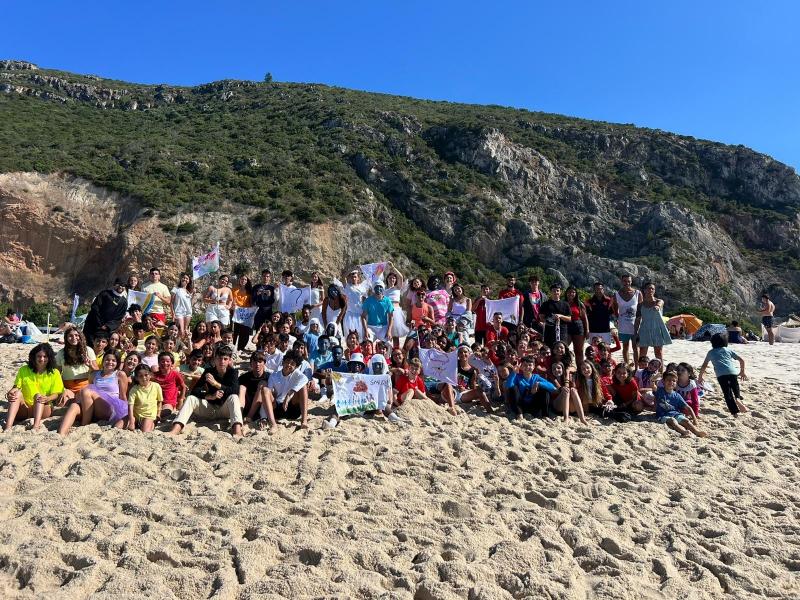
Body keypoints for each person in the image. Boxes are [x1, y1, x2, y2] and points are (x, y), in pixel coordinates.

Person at [169, 345, 244, 438]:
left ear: (229, 360)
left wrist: (216, 384)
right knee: (191, 398)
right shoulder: (209, 371)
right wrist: (210, 396)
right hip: (209, 408)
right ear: (215, 359)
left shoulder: (233, 372)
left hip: (225, 410)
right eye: (219, 358)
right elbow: (195, 391)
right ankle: (176, 429)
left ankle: (237, 431)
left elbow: (234, 391)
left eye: (225, 359)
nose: (222, 361)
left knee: (234, 397)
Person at [58, 351, 128, 436]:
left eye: (113, 360)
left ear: (117, 363)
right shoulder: (94, 374)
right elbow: (88, 395)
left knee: (86, 391)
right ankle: (61, 434)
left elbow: (123, 396)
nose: (110, 362)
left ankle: (84, 425)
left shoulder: (119, 374)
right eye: (107, 359)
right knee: (74, 406)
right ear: (103, 361)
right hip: (92, 408)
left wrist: (127, 414)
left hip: (109, 408)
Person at [5, 343, 64, 432]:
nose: (42, 359)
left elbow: (56, 394)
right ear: (34, 357)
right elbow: (16, 386)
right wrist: (11, 392)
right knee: (16, 393)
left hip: (43, 408)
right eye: (39, 356)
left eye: (45, 356)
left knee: (38, 396)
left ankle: (36, 427)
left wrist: (47, 398)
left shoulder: (54, 372)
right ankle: (8, 427)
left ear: (49, 358)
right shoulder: (24, 369)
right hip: (25, 409)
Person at [248, 351, 309, 431]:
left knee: (303, 387)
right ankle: (273, 424)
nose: (289, 365)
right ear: (283, 362)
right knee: (265, 389)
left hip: (291, 407)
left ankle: (304, 421)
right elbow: (266, 397)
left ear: (296, 367)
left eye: (292, 364)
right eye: (287, 362)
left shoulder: (297, 374)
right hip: (277, 407)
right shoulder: (274, 375)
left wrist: (289, 395)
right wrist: (263, 417)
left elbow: (305, 379)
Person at [697, 333, 749, 417]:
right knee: (735, 387)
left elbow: (704, 365)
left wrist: (700, 376)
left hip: (721, 375)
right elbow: (741, 360)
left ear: (712, 342)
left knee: (727, 393)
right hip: (732, 372)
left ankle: (734, 412)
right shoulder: (727, 350)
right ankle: (738, 398)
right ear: (725, 342)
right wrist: (742, 372)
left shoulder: (711, 352)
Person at [655, 371, 707, 437]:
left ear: (676, 383)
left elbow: (688, 407)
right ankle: (683, 432)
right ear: (663, 382)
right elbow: (653, 386)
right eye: (668, 380)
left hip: (675, 414)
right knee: (672, 420)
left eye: (674, 381)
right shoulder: (660, 391)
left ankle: (697, 432)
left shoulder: (677, 395)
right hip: (662, 415)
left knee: (686, 421)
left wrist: (694, 419)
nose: (671, 382)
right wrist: (653, 379)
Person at [505, 355, 557, 420]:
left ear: (533, 367)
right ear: (521, 366)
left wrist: (539, 383)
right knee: (513, 388)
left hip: (533, 406)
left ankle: (545, 415)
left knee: (545, 390)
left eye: (530, 365)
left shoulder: (536, 377)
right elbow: (508, 386)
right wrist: (513, 373)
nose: (527, 367)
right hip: (520, 405)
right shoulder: (517, 377)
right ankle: (519, 414)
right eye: (525, 365)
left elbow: (553, 388)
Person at [55, 327, 98, 401]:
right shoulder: (61, 353)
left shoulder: (88, 350)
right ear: (66, 338)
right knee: (63, 402)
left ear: (80, 336)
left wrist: (90, 366)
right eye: (70, 336)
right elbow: (57, 373)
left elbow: (97, 371)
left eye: (76, 335)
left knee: (81, 403)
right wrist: (62, 389)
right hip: (68, 387)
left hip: (85, 386)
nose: (74, 338)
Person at [82, 278, 129, 346]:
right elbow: (95, 308)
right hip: (92, 325)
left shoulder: (124, 302)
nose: (120, 287)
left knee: (101, 347)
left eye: (123, 285)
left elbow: (119, 318)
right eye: (118, 284)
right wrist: (100, 324)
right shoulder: (104, 294)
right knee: (87, 345)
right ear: (114, 285)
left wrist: (107, 326)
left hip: (106, 330)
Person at [633, 282, 672, 362]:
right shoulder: (640, 305)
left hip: (657, 329)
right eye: (648, 288)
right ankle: (641, 372)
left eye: (652, 288)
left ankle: (660, 373)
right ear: (644, 290)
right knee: (643, 353)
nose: (650, 290)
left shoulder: (659, 301)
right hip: (644, 329)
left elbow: (660, 304)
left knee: (658, 353)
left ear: (654, 291)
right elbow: (637, 320)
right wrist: (635, 333)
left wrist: (657, 307)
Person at [612, 274, 643, 365]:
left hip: (635, 325)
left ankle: (637, 367)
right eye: (625, 281)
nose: (627, 283)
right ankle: (627, 366)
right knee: (625, 346)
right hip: (623, 325)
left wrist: (639, 320)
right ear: (622, 282)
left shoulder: (638, 293)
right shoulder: (617, 294)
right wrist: (618, 317)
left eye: (629, 281)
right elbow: (614, 307)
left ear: (631, 281)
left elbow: (641, 308)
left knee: (635, 347)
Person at [127, 365, 162, 433]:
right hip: (136, 416)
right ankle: (138, 424)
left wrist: (158, 414)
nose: (144, 378)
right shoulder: (134, 389)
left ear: (150, 375)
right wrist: (131, 420)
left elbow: (159, 402)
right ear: (136, 378)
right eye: (140, 376)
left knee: (145, 431)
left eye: (146, 375)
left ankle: (152, 424)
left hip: (149, 415)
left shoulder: (156, 386)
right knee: (118, 426)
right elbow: (130, 405)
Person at [152, 351, 187, 418]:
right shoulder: (155, 375)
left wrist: (181, 399)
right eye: (162, 361)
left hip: (169, 402)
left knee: (167, 411)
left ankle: (158, 416)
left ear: (172, 363)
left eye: (168, 361)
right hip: (156, 401)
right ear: (158, 363)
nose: (165, 363)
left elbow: (183, 387)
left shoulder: (175, 374)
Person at [239, 351, 270, 420]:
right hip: (246, 405)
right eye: (255, 362)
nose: (257, 364)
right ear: (251, 364)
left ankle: (249, 417)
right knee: (241, 387)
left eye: (260, 362)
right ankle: (239, 415)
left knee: (262, 385)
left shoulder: (269, 377)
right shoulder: (244, 377)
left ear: (264, 363)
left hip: (262, 407)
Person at [565, 286, 590, 366]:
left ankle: (580, 369)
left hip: (578, 327)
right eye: (569, 292)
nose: (571, 294)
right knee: (564, 348)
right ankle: (565, 367)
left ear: (576, 294)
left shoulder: (579, 304)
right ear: (566, 293)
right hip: (566, 327)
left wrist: (587, 330)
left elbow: (584, 318)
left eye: (573, 292)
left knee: (579, 351)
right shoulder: (563, 303)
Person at [385, 270, 410, 347]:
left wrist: (393, 268)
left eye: (393, 278)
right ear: (387, 279)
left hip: (396, 311)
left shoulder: (397, 288)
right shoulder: (384, 290)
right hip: (386, 312)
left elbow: (401, 277)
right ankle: (386, 353)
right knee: (386, 334)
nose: (392, 279)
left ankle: (396, 350)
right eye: (390, 278)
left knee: (395, 335)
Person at [231, 274, 253, 353]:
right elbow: (232, 300)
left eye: (245, 280)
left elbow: (250, 303)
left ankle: (241, 347)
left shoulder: (249, 291)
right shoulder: (234, 290)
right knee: (235, 331)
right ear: (239, 280)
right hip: (236, 313)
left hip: (246, 314)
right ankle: (232, 347)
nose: (243, 281)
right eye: (242, 279)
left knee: (245, 332)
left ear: (247, 281)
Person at [171, 272, 194, 340]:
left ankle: (181, 347)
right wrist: (173, 314)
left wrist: (193, 294)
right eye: (183, 278)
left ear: (189, 281)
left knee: (185, 331)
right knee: (180, 330)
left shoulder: (188, 291)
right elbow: (171, 302)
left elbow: (190, 303)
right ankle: (176, 345)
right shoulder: (176, 289)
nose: (185, 279)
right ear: (181, 279)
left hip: (188, 313)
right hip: (179, 312)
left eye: (187, 278)